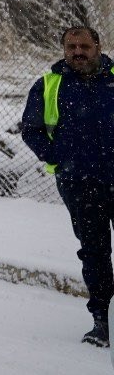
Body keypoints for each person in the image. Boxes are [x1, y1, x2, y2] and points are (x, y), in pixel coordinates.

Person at [21, 25, 114, 347]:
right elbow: (31, 129)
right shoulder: (50, 84)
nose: (78, 53)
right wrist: (56, 156)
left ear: (97, 47)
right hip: (79, 183)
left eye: (84, 47)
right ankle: (103, 321)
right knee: (95, 253)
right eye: (71, 47)